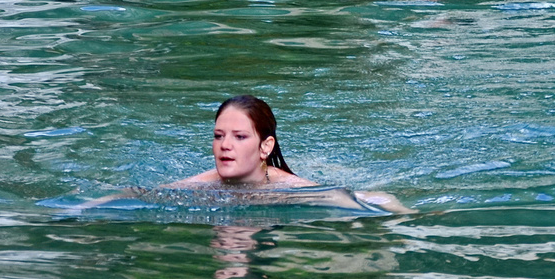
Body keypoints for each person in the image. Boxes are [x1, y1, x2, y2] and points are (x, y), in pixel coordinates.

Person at [165, 95, 408, 212]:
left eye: (240, 137)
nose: (224, 145)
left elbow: (364, 199)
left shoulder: (287, 187)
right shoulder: (204, 184)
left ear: (265, 146)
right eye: (218, 136)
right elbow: (145, 195)